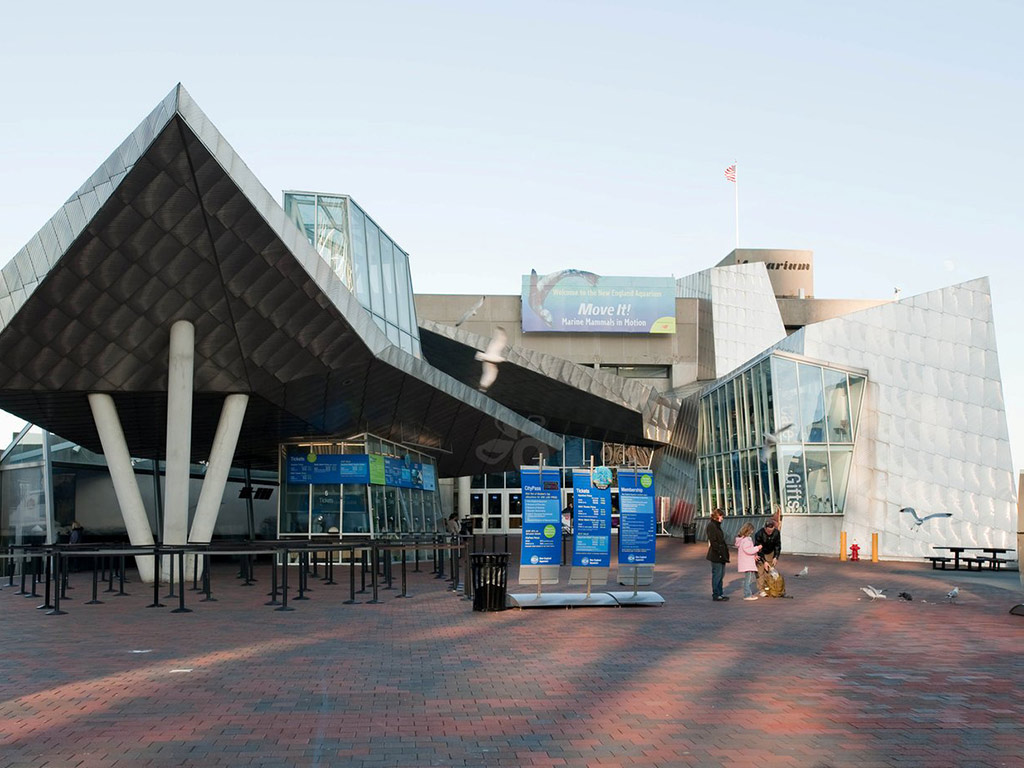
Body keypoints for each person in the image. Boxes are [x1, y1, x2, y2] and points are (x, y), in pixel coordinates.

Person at [706, 508, 730, 601]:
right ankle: (716, 594)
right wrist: (719, 551)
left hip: (721, 553)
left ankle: (720, 593)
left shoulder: (716, 525)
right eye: (721, 516)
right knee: (717, 574)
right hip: (716, 554)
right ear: (717, 516)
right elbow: (713, 541)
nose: (722, 518)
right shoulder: (712, 526)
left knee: (721, 575)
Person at [734, 523, 762, 600]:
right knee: (748, 579)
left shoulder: (743, 540)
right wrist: (757, 548)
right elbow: (748, 550)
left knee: (748, 578)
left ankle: (748, 593)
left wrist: (754, 555)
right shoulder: (746, 540)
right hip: (748, 563)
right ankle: (747, 594)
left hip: (747, 562)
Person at [754, 518, 782, 596]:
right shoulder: (759, 534)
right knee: (760, 571)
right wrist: (764, 561)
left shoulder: (776, 533)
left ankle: (768, 586)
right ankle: (761, 589)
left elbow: (778, 545)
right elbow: (759, 549)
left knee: (769, 570)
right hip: (761, 552)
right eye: (768, 531)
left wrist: (776, 557)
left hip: (771, 552)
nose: (770, 533)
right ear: (765, 528)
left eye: (772, 531)